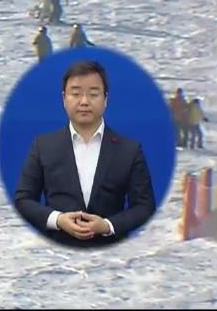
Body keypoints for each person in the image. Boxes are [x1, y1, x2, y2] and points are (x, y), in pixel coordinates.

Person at [13, 60, 157, 247]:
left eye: (93, 94)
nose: (84, 102)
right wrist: (58, 220)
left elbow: (144, 207)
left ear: (105, 99)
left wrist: (107, 226)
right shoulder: (43, 146)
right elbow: (23, 200)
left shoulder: (129, 150)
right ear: (64, 99)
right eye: (76, 93)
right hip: (56, 252)